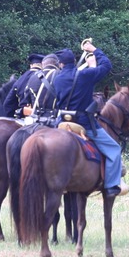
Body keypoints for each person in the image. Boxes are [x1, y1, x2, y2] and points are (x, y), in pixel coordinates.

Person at [52, 41, 123, 197]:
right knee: (114, 149)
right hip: (83, 123)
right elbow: (106, 66)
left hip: (61, 123)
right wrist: (94, 51)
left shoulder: (56, 79)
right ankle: (111, 186)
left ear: (61, 64)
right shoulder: (85, 75)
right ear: (73, 61)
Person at [3, 52, 45, 117]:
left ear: (31, 65)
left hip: (22, 117)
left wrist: (10, 117)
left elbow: (8, 103)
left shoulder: (21, 78)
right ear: (43, 65)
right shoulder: (45, 77)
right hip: (40, 117)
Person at [25, 53, 61, 119]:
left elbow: (27, 98)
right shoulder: (61, 75)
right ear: (58, 64)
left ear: (43, 64)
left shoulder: (33, 77)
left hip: (35, 118)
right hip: (55, 118)